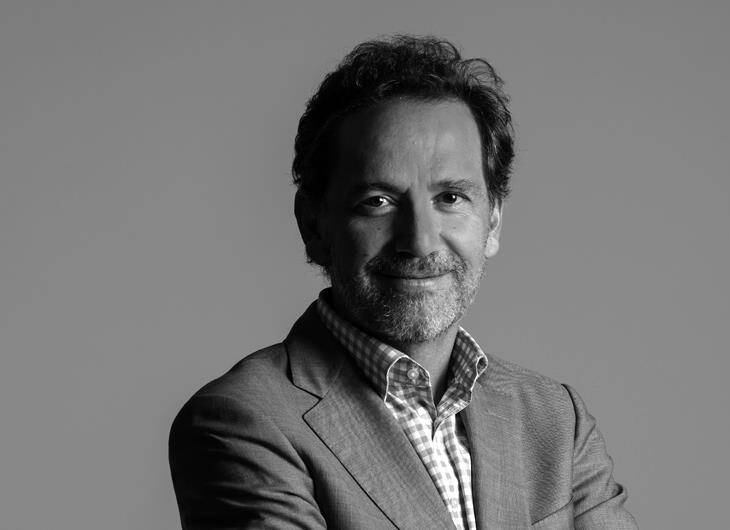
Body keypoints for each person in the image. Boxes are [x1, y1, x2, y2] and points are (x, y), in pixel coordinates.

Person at [168, 35, 637, 529]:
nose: (419, 241)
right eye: (378, 201)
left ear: (493, 221)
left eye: (451, 198)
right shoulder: (245, 419)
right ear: (313, 226)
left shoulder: (555, 419)